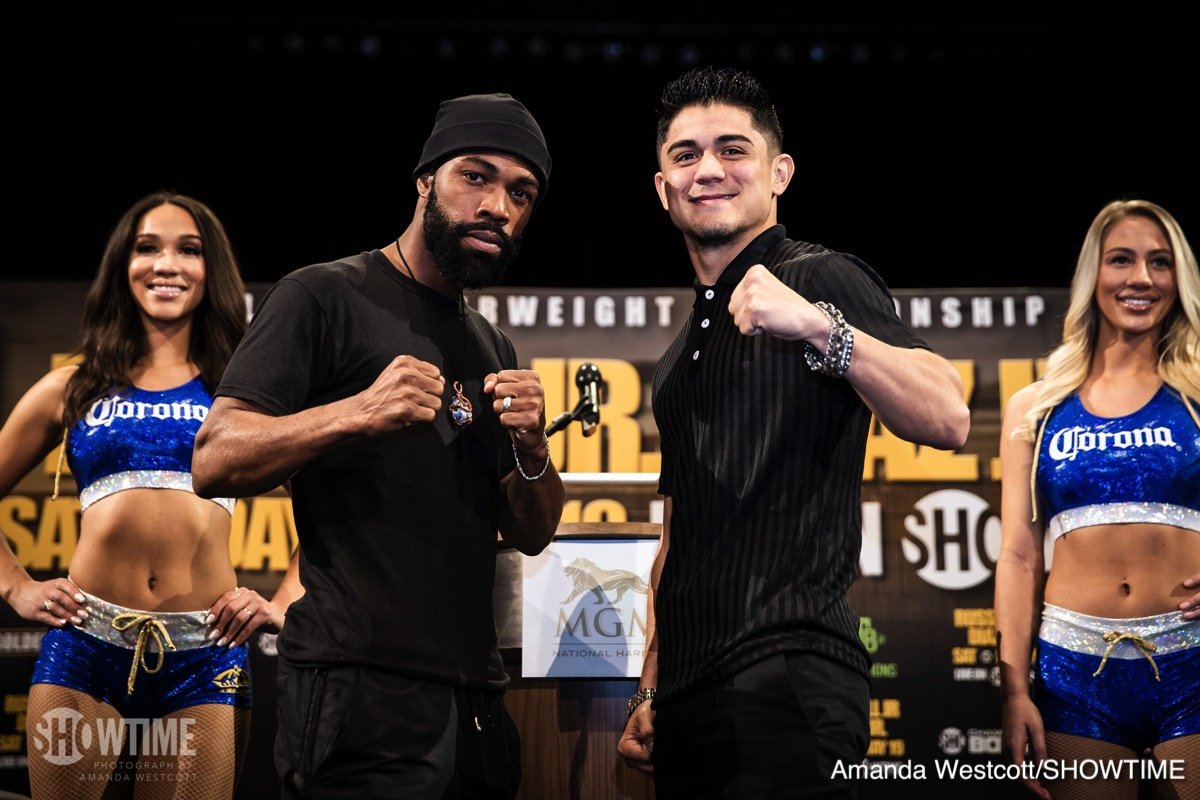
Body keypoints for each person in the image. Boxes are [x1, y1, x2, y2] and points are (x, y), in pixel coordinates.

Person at [191, 91, 565, 799]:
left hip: (477, 702)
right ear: (425, 180)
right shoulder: (322, 295)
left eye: (522, 192)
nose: (499, 207)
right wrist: (355, 411)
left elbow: (533, 530)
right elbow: (213, 457)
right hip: (357, 691)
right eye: (476, 177)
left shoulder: (492, 343)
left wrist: (533, 449)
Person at [615, 66, 970, 798]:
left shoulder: (822, 278)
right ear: (662, 186)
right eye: (685, 155)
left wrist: (817, 328)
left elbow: (947, 415)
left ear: (779, 173)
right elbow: (677, 537)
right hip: (688, 696)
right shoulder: (679, 356)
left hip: (790, 671)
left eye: (732, 149)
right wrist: (652, 687)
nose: (708, 169)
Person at [0, 191, 301, 799]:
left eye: (188, 250)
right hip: (84, 646)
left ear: (210, 270)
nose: (167, 264)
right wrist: (16, 585)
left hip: (205, 654)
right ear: (123, 265)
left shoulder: (241, 395)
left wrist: (283, 603)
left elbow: (335, 508)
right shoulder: (73, 384)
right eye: (147, 248)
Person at [994, 199, 1200, 800]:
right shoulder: (1036, 408)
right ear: (1093, 276)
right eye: (1122, 260)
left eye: (1159, 263)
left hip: (1193, 663)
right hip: (1073, 675)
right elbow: (1017, 557)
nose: (1141, 278)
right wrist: (1013, 693)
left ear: (1178, 279)